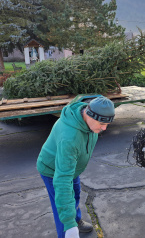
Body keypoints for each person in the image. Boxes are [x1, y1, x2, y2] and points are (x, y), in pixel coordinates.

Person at [37, 96, 115, 238]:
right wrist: (69, 225)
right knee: (62, 205)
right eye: (102, 123)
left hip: (71, 167)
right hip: (52, 169)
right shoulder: (70, 137)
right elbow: (62, 181)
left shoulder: (89, 119)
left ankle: (76, 220)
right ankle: (68, 229)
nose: (104, 128)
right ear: (89, 115)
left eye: (107, 124)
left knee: (76, 193)